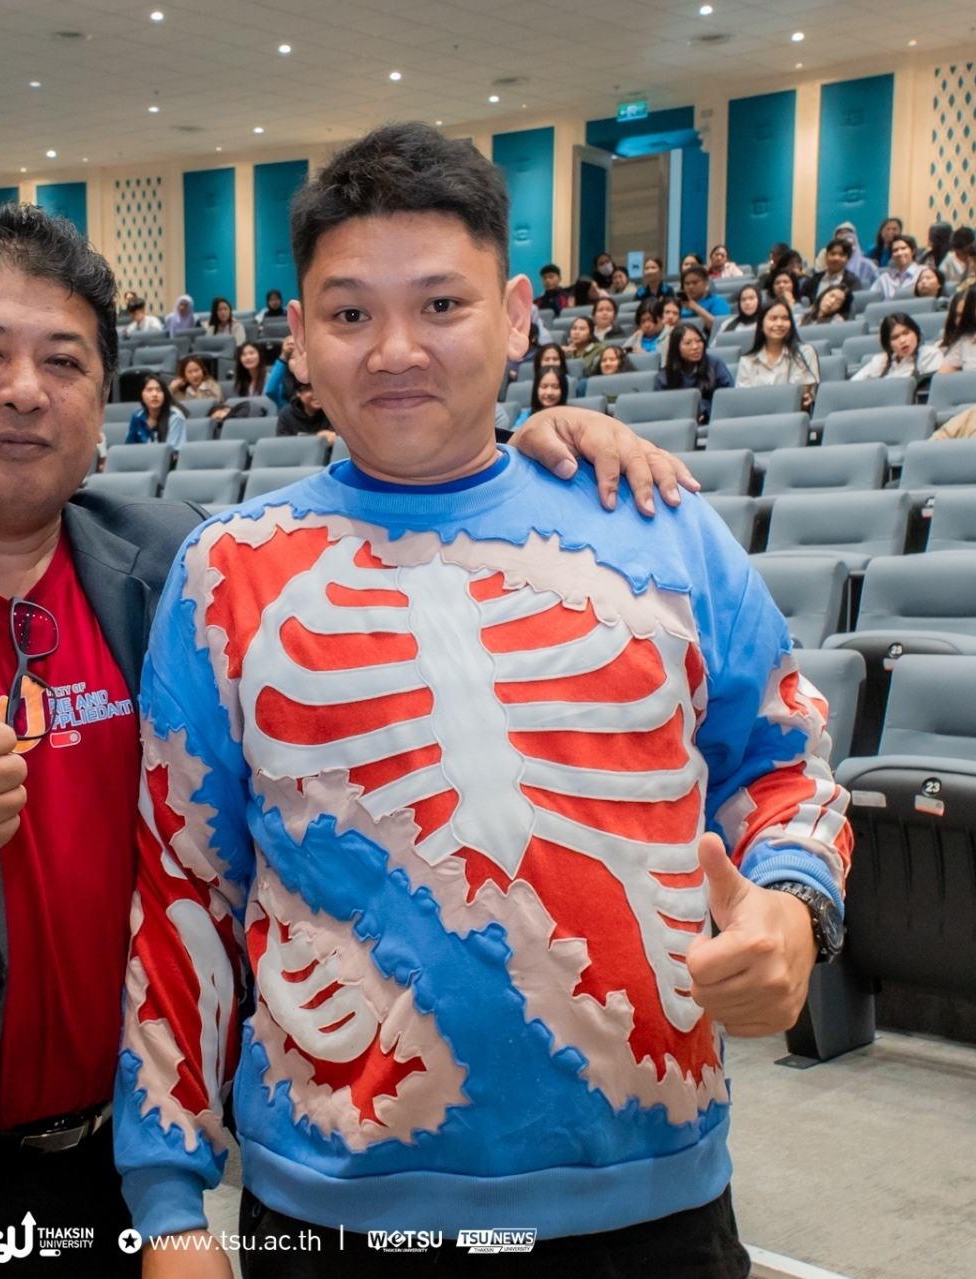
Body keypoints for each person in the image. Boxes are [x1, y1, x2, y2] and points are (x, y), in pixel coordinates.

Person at [0, 196, 692, 1277]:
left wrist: (541, 455)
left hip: (111, 1182)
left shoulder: (177, 566)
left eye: (65, 361)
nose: (26, 389)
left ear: (102, 397)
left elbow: (388, 517)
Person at [117, 121, 847, 1279]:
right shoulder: (227, 575)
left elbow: (784, 767)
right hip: (338, 1213)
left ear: (514, 316)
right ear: (298, 338)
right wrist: (166, 1206)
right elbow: (180, 890)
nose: (396, 349)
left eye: (441, 305)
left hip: (649, 1202)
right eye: (350, 314)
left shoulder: (659, 526)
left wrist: (794, 909)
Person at [737, 297, 821, 407]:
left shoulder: (804, 353)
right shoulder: (747, 361)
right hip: (756, 415)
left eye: (785, 318)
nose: (780, 323)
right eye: (773, 318)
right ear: (761, 324)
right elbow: (743, 402)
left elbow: (800, 398)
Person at [655, 320, 735, 420]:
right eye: (687, 343)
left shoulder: (714, 365)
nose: (695, 347)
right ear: (676, 347)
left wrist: (705, 409)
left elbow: (728, 397)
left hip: (714, 419)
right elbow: (661, 408)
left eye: (698, 341)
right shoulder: (665, 376)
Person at [853, 313, 942, 385]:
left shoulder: (929, 355)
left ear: (916, 333)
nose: (902, 341)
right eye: (895, 337)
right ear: (888, 343)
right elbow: (853, 385)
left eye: (906, 333)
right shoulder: (879, 361)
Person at [125, 373, 186, 446]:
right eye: (149, 390)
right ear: (141, 395)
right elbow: (129, 446)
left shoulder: (175, 417)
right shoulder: (137, 415)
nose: (154, 394)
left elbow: (173, 450)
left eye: (159, 390)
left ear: (165, 395)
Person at [273, 378, 334, 444]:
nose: (316, 393)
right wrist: (317, 437)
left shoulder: (333, 412)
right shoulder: (287, 414)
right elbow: (283, 444)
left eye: (320, 389)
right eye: (310, 389)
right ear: (298, 392)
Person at [679, 266, 728, 333]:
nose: (690, 286)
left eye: (695, 282)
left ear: (706, 283)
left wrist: (695, 307)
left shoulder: (718, 301)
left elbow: (720, 327)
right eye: (687, 283)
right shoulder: (679, 305)